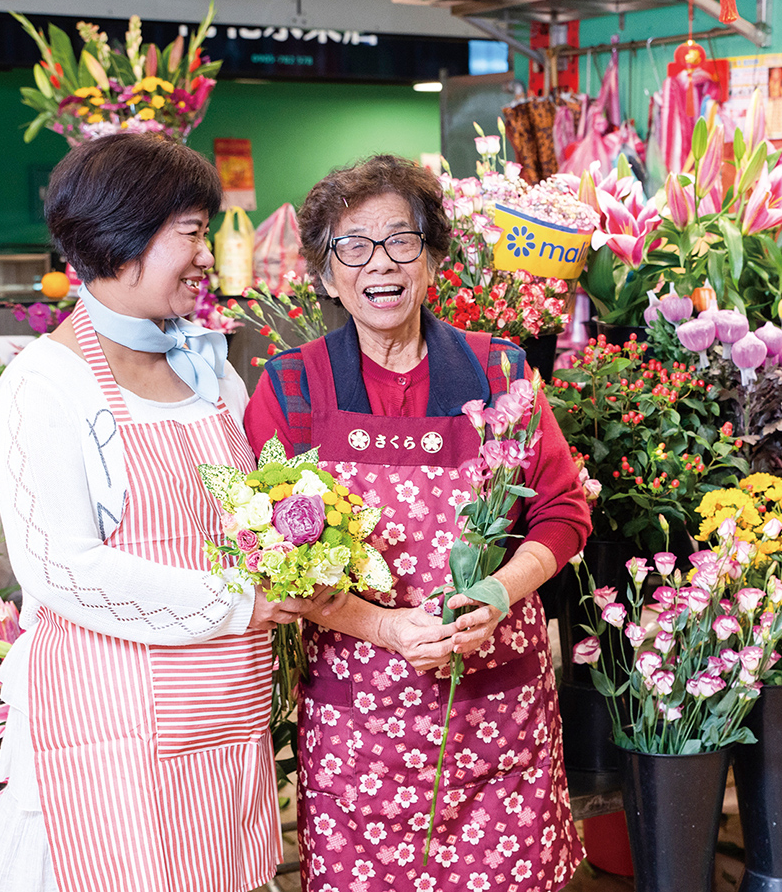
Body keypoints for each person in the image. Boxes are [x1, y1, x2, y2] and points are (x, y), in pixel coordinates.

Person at [0, 132, 322, 892]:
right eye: (192, 233)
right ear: (120, 236)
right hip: (114, 725)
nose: (207, 256)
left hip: (223, 714)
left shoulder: (205, 367)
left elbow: (262, 506)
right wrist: (241, 600)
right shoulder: (48, 382)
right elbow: (64, 568)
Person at [244, 154, 592, 891]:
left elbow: (561, 508)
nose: (381, 263)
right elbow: (268, 559)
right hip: (358, 734)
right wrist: (388, 629)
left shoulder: (498, 371)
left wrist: (499, 592)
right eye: (354, 245)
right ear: (325, 270)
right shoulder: (292, 387)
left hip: (497, 715)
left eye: (401, 240)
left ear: (432, 256)